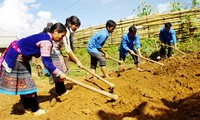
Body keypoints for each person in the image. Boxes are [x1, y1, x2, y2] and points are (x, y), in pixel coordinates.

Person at [0, 22, 67, 115]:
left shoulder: (44, 37)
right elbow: (46, 61)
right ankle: (35, 109)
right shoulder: (46, 41)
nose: (61, 38)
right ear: (55, 31)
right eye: (62, 35)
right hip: (17, 59)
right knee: (28, 84)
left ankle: (27, 107)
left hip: (19, 57)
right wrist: (59, 73)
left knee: (23, 84)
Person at [45, 16, 83, 96]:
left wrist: (74, 59)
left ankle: (59, 90)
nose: (76, 27)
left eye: (77, 26)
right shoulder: (66, 32)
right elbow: (68, 49)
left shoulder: (69, 31)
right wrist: (77, 60)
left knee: (61, 69)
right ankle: (60, 91)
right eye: (75, 25)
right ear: (69, 24)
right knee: (59, 69)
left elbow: (69, 47)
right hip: (53, 50)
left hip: (57, 50)